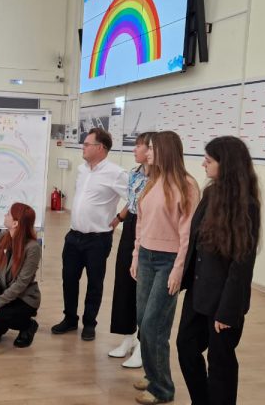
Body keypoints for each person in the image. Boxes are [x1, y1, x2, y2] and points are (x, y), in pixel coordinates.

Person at [176, 136, 261, 405]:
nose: (204, 164)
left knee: (220, 362)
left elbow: (242, 262)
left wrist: (228, 310)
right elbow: (195, 242)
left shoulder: (247, 205)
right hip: (199, 291)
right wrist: (180, 275)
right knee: (186, 347)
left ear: (227, 165)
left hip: (224, 300)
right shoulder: (211, 194)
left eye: (209, 160)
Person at [130, 130, 200, 405]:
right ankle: (152, 374)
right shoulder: (153, 180)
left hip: (168, 261)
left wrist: (178, 270)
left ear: (165, 151)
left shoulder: (187, 185)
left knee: (154, 325)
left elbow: (187, 235)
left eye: (151, 148)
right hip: (146, 257)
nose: (146, 152)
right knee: (142, 320)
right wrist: (136, 255)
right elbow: (141, 223)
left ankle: (163, 388)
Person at [51, 128, 128, 341]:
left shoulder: (116, 173)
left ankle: (89, 323)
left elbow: (137, 197)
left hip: (98, 240)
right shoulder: (81, 169)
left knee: (95, 283)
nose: (83, 147)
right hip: (73, 236)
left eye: (87, 144)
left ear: (100, 148)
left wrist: (120, 217)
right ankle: (70, 319)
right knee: (69, 280)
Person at [108, 131, 156, 368]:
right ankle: (128, 336)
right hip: (131, 226)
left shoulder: (161, 178)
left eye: (139, 146)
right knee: (124, 281)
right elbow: (132, 200)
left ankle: (142, 344)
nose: (135, 150)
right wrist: (119, 217)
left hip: (150, 228)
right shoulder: (135, 173)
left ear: (151, 150)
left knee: (143, 287)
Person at [0, 203, 41, 348]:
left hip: (24, 297)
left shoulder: (33, 248)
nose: (5, 215)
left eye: (8, 214)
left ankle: (28, 326)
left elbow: (21, 284)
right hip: (4, 290)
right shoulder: (2, 237)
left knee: (1, 313)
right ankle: (0, 326)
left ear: (15, 223)